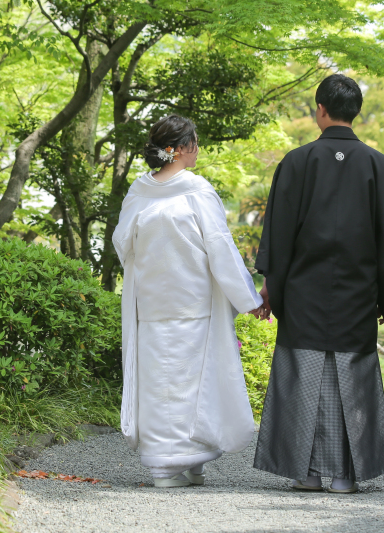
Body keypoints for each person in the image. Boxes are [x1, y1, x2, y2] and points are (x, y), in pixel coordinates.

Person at [252, 74, 384, 493]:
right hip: (357, 294)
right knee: (353, 379)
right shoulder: (379, 166)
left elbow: (279, 236)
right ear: (355, 112)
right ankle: (346, 476)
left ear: (321, 111)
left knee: (303, 375)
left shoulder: (296, 161)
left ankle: (306, 473)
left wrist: (272, 288)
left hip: (304, 293)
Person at [113, 115, 266, 488]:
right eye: (194, 142)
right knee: (193, 381)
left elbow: (122, 244)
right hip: (192, 302)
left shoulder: (139, 192)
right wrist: (249, 298)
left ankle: (191, 461)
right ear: (181, 149)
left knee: (160, 381)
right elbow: (220, 249)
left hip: (151, 303)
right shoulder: (197, 191)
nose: (197, 148)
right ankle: (169, 465)